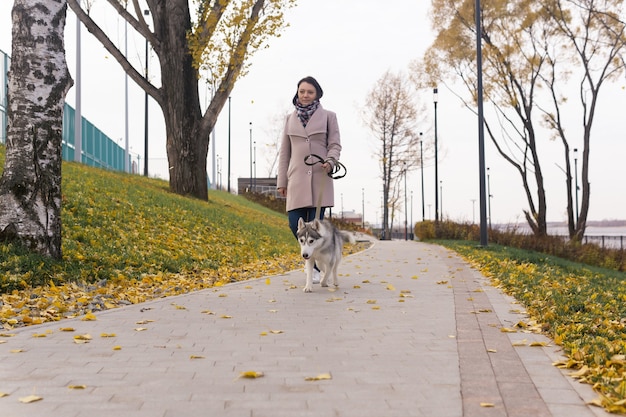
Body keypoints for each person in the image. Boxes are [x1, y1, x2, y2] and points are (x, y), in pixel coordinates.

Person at [277, 76, 342, 284]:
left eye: (310, 92)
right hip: (296, 178)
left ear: (317, 94)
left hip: (319, 177)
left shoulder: (329, 117)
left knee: (315, 227)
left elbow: (335, 144)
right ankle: (314, 265)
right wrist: (281, 181)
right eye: (302, 91)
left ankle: (314, 268)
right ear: (297, 93)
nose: (305, 95)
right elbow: (284, 152)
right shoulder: (289, 119)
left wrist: (331, 161)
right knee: (293, 222)